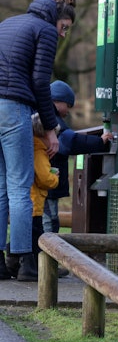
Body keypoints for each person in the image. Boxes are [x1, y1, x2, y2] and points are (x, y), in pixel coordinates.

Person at [0, 0, 77, 280]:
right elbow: (40, 82)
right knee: (20, 187)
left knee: (0, 188)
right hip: (13, 109)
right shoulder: (44, 30)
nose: (62, 35)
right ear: (57, 18)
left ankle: (1, 262)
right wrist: (50, 129)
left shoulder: (7, 23)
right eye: (64, 28)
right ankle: (24, 262)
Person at [43, 80, 113, 234]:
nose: (68, 111)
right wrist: (100, 141)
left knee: (48, 219)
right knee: (49, 221)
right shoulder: (52, 119)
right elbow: (70, 142)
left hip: (46, 180)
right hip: (46, 181)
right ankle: (43, 256)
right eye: (68, 106)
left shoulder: (44, 115)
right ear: (58, 101)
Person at [6, 114, 60, 281]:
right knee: (36, 237)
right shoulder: (39, 151)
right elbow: (44, 178)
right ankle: (32, 268)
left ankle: (14, 262)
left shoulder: (28, 148)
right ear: (44, 135)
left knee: (21, 233)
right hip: (33, 203)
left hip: (22, 201)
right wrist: (55, 177)